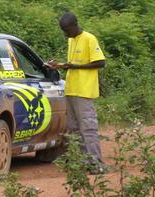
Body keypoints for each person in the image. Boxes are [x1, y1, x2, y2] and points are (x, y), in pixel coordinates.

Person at [47, 12, 106, 174]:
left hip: (84, 91)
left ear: (74, 25)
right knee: (74, 129)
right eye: (63, 30)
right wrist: (59, 66)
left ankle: (96, 163)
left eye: (66, 30)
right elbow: (72, 64)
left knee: (88, 128)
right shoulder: (71, 40)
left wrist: (73, 67)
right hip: (71, 89)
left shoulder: (89, 38)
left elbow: (100, 62)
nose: (65, 33)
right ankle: (82, 162)